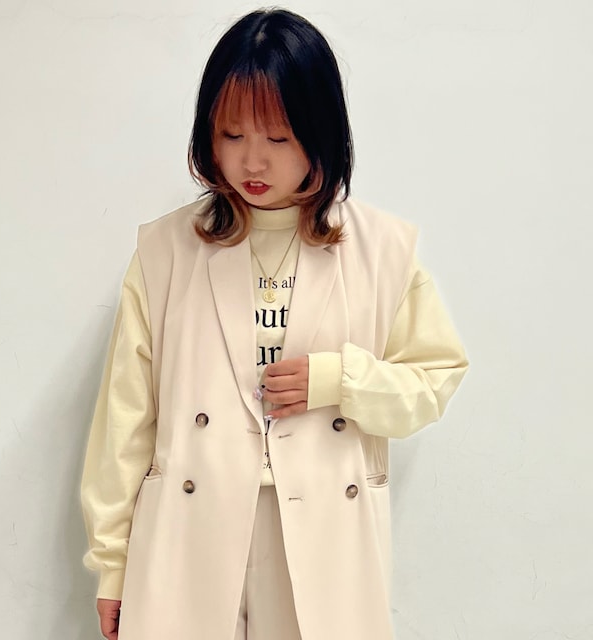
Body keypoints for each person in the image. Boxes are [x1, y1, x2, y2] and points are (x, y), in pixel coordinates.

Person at [80, 7, 468, 640]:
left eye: (279, 138)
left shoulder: (384, 250)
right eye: (231, 135)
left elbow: (433, 382)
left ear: (321, 134)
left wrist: (341, 380)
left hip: (323, 531)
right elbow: (125, 420)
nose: (251, 162)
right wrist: (113, 564)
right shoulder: (164, 250)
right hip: (189, 528)